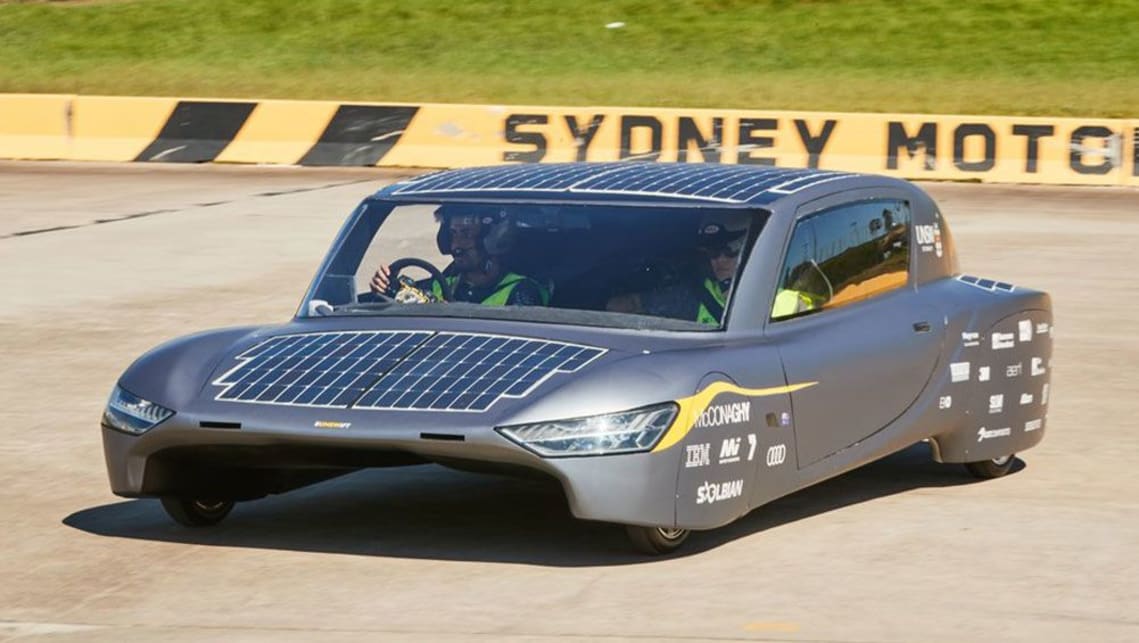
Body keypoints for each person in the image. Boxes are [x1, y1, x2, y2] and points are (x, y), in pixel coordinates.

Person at [370, 206, 548, 306]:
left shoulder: (522, 292)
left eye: (466, 234)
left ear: (494, 239)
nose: (456, 245)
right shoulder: (442, 284)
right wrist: (388, 289)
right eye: (453, 234)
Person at [607, 221, 744, 326]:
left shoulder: (758, 296)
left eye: (730, 251)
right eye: (713, 253)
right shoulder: (692, 296)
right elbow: (617, 306)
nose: (720, 260)